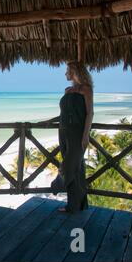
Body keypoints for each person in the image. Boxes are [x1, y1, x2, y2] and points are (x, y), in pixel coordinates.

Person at [42, 61, 94, 213]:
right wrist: (48, 122)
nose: (65, 73)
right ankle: (76, 205)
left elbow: (90, 113)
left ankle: (56, 185)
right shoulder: (67, 90)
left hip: (77, 133)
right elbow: (62, 114)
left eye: (67, 70)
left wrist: (85, 136)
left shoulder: (86, 89)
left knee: (68, 165)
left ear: (75, 71)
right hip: (63, 132)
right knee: (77, 170)